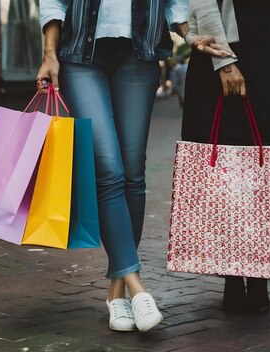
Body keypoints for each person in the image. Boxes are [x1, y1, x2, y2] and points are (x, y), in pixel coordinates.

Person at [36, 0, 188, 332]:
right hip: (80, 55)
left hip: (140, 53)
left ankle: (116, 292)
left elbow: (177, 4)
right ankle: (137, 286)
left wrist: (193, 34)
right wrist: (50, 53)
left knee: (133, 173)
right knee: (108, 167)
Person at [182, 0, 270, 315]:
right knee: (229, 162)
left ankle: (258, 274)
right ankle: (231, 273)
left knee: (267, 164)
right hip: (228, 50)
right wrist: (224, 62)